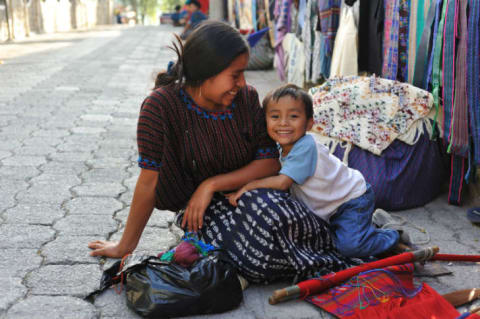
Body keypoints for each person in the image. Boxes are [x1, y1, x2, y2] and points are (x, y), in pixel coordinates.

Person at [88, 21, 354, 284]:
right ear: (207, 70)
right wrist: (126, 246)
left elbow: (269, 163)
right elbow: (150, 181)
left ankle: (340, 244)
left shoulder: (247, 99)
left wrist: (211, 184)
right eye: (235, 74)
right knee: (255, 257)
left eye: (243, 74)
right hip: (202, 213)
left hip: (251, 194)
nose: (242, 82)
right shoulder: (160, 107)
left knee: (272, 216)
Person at [228, 84, 400, 258]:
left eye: (293, 116)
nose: (283, 123)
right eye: (275, 116)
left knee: (349, 248)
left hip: (351, 200)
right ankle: (368, 225)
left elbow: (282, 183)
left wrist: (247, 187)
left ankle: (391, 235)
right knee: (326, 243)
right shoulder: (279, 150)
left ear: (309, 123)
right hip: (328, 208)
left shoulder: (305, 146)